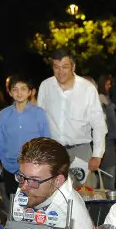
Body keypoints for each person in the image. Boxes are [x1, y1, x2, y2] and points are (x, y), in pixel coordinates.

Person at [9, 137, 97, 229]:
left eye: (34, 180)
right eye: (22, 177)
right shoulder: (27, 185)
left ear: (57, 181)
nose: (23, 187)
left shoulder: (73, 212)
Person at [37, 49, 107, 188]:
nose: (60, 71)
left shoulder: (87, 89)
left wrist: (97, 154)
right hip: (54, 152)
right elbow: (40, 120)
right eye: (56, 67)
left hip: (80, 151)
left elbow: (98, 123)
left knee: (84, 195)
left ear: (73, 67)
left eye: (65, 67)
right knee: (54, 194)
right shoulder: (46, 86)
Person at [0, 78, 50, 198]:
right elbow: (2, 140)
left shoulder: (39, 113)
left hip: (34, 168)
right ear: (10, 92)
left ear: (29, 92)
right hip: (10, 167)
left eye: (23, 89)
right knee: (14, 204)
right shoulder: (4, 114)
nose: (19, 93)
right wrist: (5, 162)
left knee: (33, 202)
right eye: (15, 89)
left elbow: (46, 140)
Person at [97, 74, 116, 190]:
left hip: (106, 144)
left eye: (110, 84)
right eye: (107, 84)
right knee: (107, 183)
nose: (109, 86)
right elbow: (113, 127)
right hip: (106, 145)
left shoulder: (106, 100)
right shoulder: (103, 102)